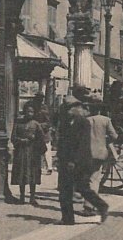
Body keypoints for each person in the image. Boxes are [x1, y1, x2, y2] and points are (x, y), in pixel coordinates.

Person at [57, 96, 109, 225]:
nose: (68, 111)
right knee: (64, 191)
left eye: (70, 108)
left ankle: (102, 206)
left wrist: (74, 161)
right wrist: (59, 157)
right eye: (66, 108)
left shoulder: (83, 123)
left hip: (79, 162)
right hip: (65, 161)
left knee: (83, 188)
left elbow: (83, 145)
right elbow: (62, 142)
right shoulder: (65, 122)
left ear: (77, 108)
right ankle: (68, 218)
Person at [82, 103, 118, 216]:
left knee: (87, 179)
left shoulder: (85, 120)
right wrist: (104, 140)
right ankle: (90, 206)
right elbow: (114, 136)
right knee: (94, 179)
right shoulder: (106, 120)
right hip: (101, 153)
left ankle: (88, 206)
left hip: (86, 153)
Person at [11, 102, 46, 206]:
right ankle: (21, 196)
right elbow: (13, 137)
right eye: (28, 111)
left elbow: (42, 139)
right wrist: (21, 140)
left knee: (33, 174)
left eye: (31, 111)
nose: (29, 113)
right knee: (21, 173)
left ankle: (32, 197)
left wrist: (35, 140)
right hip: (21, 151)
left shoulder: (36, 124)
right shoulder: (18, 123)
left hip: (33, 152)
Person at [32, 92, 53, 175]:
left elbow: (49, 122)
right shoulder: (33, 108)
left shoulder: (45, 109)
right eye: (37, 98)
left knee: (47, 150)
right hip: (36, 132)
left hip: (44, 133)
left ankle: (49, 167)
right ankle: (38, 167)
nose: (38, 100)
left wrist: (40, 126)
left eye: (40, 98)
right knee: (36, 150)